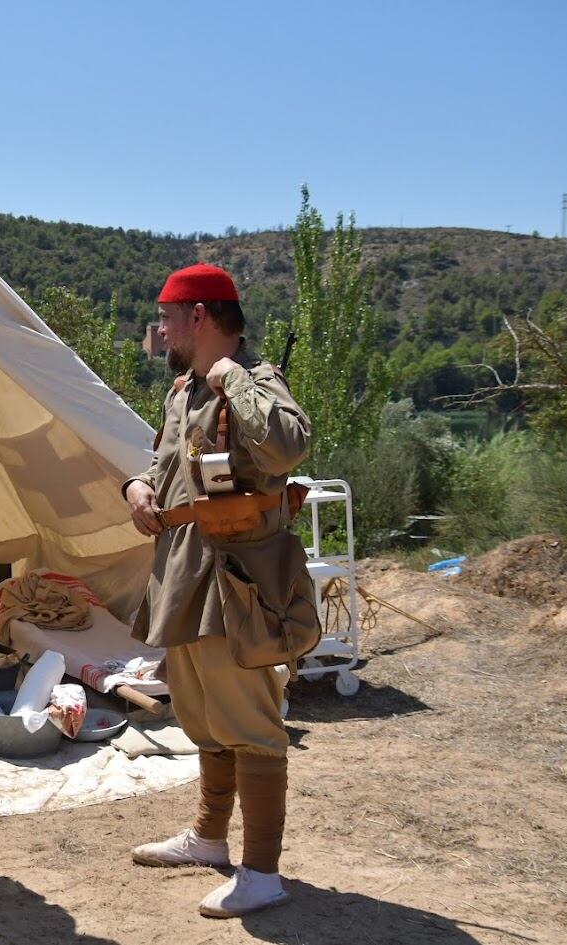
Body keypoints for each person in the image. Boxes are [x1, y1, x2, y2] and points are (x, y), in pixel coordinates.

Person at [122, 263, 315, 918]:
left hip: (235, 580)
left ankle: (262, 872)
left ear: (198, 317)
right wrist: (137, 489)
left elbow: (288, 446)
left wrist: (233, 377)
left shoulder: (253, 380)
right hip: (183, 573)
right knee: (204, 716)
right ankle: (208, 837)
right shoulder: (182, 391)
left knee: (251, 723)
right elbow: (162, 466)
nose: (162, 329)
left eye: (167, 317)